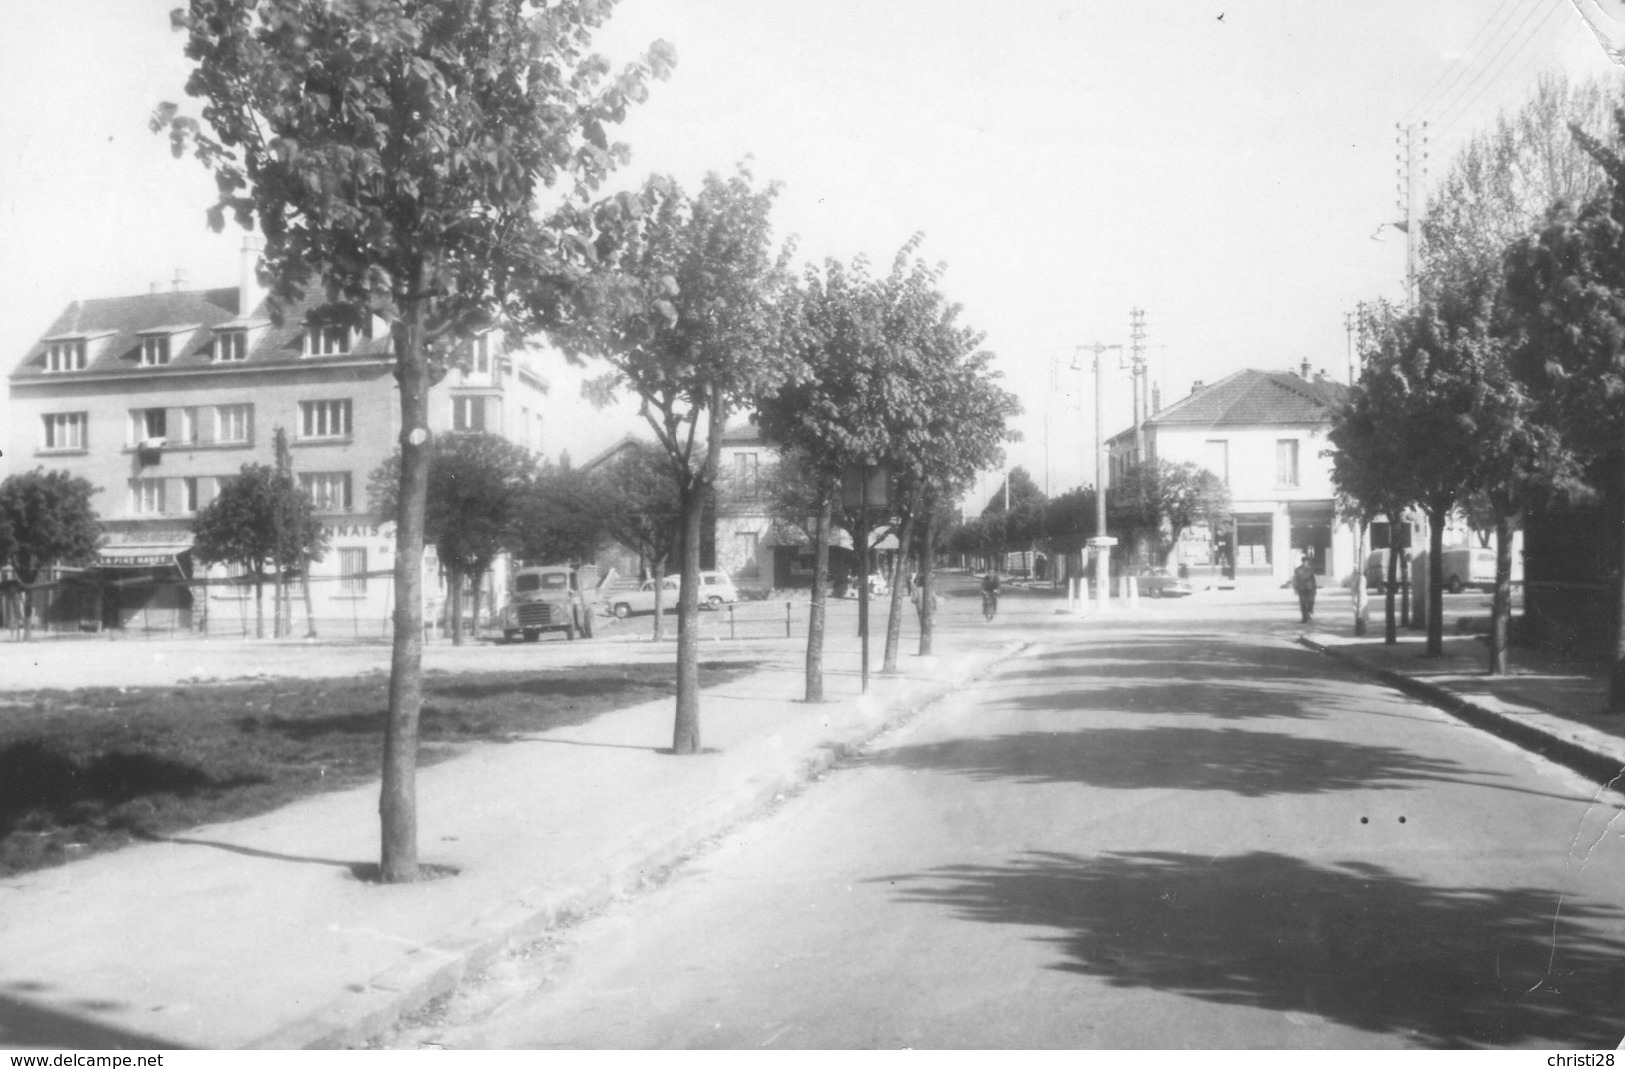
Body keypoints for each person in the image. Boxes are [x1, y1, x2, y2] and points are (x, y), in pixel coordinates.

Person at [1292, 553, 1318, 623]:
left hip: (1310, 588)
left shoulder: (1310, 569)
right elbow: (1295, 579)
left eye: (1307, 561)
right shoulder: (1298, 569)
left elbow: (1313, 579)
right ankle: (1304, 618)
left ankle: (1309, 611)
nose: (1306, 563)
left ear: (1308, 562)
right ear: (1302, 562)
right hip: (1302, 588)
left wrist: (1315, 588)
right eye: (1304, 561)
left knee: (1311, 602)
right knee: (1303, 604)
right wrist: (1295, 588)